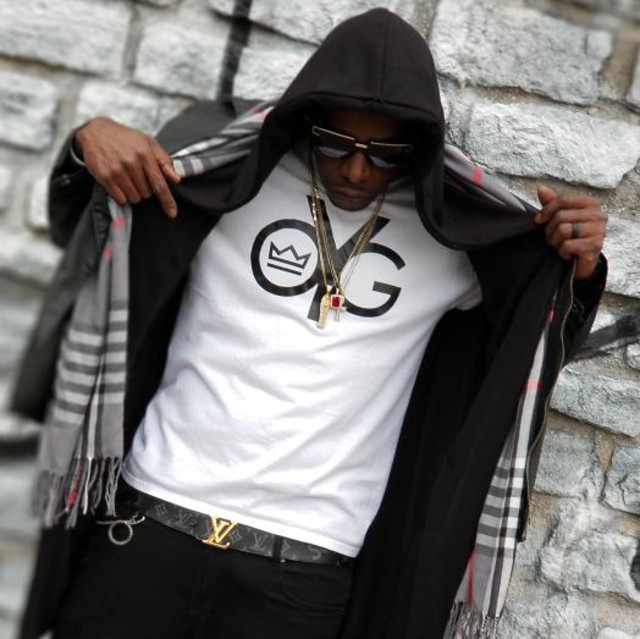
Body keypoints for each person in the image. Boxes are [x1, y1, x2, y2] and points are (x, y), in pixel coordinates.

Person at [11, 8, 607, 639]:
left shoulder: (456, 235)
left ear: (420, 145)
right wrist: (87, 140)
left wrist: (579, 270)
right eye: (335, 144)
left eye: (385, 154)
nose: (356, 169)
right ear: (305, 120)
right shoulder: (222, 179)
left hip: (299, 577)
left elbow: (524, 349)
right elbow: (91, 243)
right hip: (146, 532)